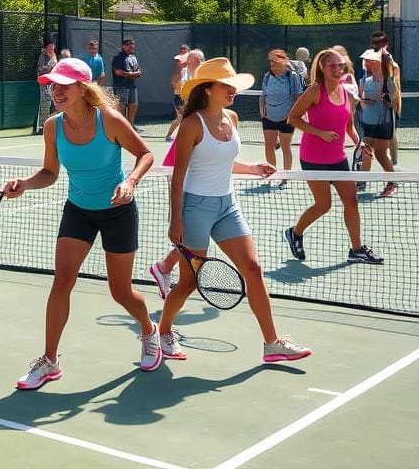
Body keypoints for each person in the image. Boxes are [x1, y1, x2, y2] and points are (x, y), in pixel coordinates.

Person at [5, 57, 161, 388]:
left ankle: (149, 329)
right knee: (62, 281)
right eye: (53, 86)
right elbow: (49, 172)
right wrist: (24, 183)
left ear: (82, 88)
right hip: (79, 211)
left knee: (120, 292)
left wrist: (130, 181)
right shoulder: (53, 126)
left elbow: (146, 154)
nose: (56, 91)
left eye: (64, 86)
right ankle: (49, 360)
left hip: (118, 211)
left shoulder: (110, 120)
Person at [157, 58, 311, 365]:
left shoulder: (232, 118)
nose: (232, 91)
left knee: (252, 269)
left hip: (228, 206)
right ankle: (162, 332)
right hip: (195, 208)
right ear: (207, 89)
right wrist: (176, 220)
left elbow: (223, 162)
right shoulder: (190, 125)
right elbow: (178, 174)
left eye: (233, 86)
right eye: (226, 86)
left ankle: (272, 344)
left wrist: (252, 168)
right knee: (188, 282)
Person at [284, 48, 383, 265]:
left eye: (340, 65)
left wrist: (360, 144)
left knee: (352, 202)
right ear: (322, 67)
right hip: (313, 158)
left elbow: (348, 127)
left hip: (338, 158)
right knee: (323, 205)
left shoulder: (347, 93)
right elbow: (293, 118)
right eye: (332, 65)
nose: (337, 69)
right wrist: (319, 132)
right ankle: (295, 232)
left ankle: (356, 249)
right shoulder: (314, 91)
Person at [259, 49, 305, 190]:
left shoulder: (293, 77)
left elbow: (298, 98)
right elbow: (263, 95)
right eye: (270, 61)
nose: (271, 64)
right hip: (269, 117)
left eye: (274, 61)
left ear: (283, 61)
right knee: (269, 146)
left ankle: (285, 179)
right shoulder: (267, 77)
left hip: (287, 118)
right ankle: (272, 173)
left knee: (285, 147)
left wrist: (292, 115)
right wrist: (262, 109)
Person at [357, 50, 399, 196]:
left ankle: (392, 182)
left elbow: (395, 102)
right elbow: (362, 99)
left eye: (370, 60)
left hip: (384, 122)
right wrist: (364, 100)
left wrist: (386, 98)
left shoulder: (388, 81)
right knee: (366, 150)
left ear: (377, 63)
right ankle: (362, 181)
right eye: (366, 60)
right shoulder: (366, 80)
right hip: (369, 121)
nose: (366, 63)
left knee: (380, 153)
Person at [369, 30, 402, 165]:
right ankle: (365, 163)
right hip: (372, 104)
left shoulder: (392, 64)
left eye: (380, 42)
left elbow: (395, 86)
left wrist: (393, 103)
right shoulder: (368, 61)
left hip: (388, 105)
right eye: (374, 42)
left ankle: (393, 162)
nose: (377, 45)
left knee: (391, 134)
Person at [165, 47, 202, 141]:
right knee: (181, 118)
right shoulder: (182, 71)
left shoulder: (200, 72)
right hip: (180, 98)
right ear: (190, 60)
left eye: (201, 60)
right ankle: (169, 135)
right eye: (197, 60)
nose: (200, 62)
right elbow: (173, 82)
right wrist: (183, 91)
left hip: (194, 98)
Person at [111, 38, 141, 126]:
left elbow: (139, 72)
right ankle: (121, 126)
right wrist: (132, 74)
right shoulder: (117, 57)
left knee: (134, 105)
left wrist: (135, 74)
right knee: (121, 106)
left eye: (133, 43)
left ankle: (130, 125)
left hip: (132, 86)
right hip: (120, 86)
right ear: (123, 46)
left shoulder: (133, 58)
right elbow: (118, 72)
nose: (132, 45)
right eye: (129, 44)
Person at [34, 39, 58, 134]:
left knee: (54, 105)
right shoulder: (42, 56)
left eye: (52, 47)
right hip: (44, 83)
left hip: (53, 83)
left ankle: (51, 126)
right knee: (44, 104)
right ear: (46, 48)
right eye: (49, 47)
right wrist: (50, 68)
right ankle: (40, 127)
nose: (51, 49)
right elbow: (41, 69)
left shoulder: (55, 56)